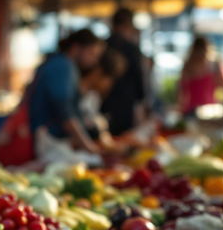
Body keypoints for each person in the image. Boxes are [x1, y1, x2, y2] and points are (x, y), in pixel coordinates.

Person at [28, 29, 105, 159]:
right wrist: (87, 145)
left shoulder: (56, 62)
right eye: (91, 53)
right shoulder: (63, 66)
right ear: (75, 48)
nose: (94, 61)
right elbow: (64, 110)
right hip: (51, 143)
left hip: (48, 141)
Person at [101, 8, 146, 136]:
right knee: (124, 140)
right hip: (125, 102)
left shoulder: (104, 45)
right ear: (127, 24)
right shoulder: (130, 48)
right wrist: (142, 101)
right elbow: (138, 77)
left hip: (105, 103)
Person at [179, 36, 223, 116]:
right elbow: (182, 91)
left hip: (207, 111)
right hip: (197, 111)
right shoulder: (188, 66)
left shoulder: (213, 65)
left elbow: (181, 92)